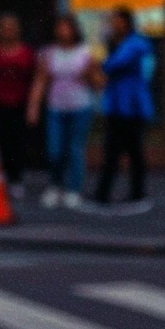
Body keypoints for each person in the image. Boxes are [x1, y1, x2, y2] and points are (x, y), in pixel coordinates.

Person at [27, 14, 102, 208]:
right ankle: (55, 186)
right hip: (56, 107)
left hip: (80, 107)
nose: (63, 31)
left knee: (75, 149)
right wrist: (33, 106)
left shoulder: (85, 52)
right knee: (55, 149)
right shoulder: (49, 53)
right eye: (60, 27)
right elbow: (40, 81)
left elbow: (99, 82)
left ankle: (73, 189)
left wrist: (90, 73)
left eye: (66, 27)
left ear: (74, 30)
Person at [93, 8, 155, 206]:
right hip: (118, 105)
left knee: (127, 151)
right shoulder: (123, 43)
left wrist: (106, 53)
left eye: (116, 21)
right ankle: (108, 193)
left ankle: (131, 193)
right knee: (117, 151)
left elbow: (112, 65)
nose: (113, 24)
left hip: (130, 106)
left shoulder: (135, 44)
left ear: (126, 22)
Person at [0, 14, 35, 198]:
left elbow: (33, 79)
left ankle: (16, 178)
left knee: (17, 143)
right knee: (0, 141)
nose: (8, 31)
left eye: (11, 27)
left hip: (20, 103)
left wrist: (32, 105)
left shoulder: (26, 52)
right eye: (4, 27)